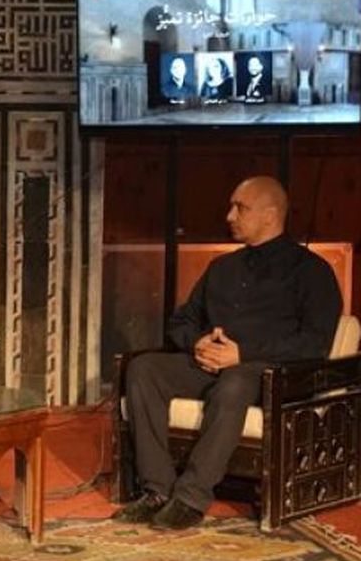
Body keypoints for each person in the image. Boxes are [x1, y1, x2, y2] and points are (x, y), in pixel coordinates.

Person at [112, 176, 341, 531]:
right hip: (210, 366)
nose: (229, 216)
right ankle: (157, 489)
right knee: (145, 368)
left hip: (271, 375)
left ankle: (191, 497)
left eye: (240, 208)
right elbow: (181, 321)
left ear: (270, 214)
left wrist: (243, 354)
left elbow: (314, 342)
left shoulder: (312, 271)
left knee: (235, 381)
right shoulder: (222, 267)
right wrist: (198, 342)